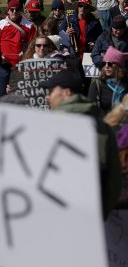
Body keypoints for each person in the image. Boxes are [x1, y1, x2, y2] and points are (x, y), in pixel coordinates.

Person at [42, 70, 122, 218]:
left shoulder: (46, 126)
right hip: (92, 216)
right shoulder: (103, 128)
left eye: (51, 91)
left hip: (53, 217)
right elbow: (114, 181)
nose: (47, 96)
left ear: (66, 93)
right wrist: (100, 215)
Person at [0, 0, 37, 96]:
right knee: (2, 94)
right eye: (12, 9)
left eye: (17, 9)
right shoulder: (1, 24)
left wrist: (26, 53)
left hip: (22, 65)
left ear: (20, 11)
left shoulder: (28, 25)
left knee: (21, 94)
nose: (14, 12)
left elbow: (33, 45)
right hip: (4, 64)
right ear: (8, 10)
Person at [89, 47, 128, 115]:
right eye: (104, 63)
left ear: (118, 66)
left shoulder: (125, 83)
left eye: (110, 64)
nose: (106, 66)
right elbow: (90, 108)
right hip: (103, 120)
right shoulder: (98, 83)